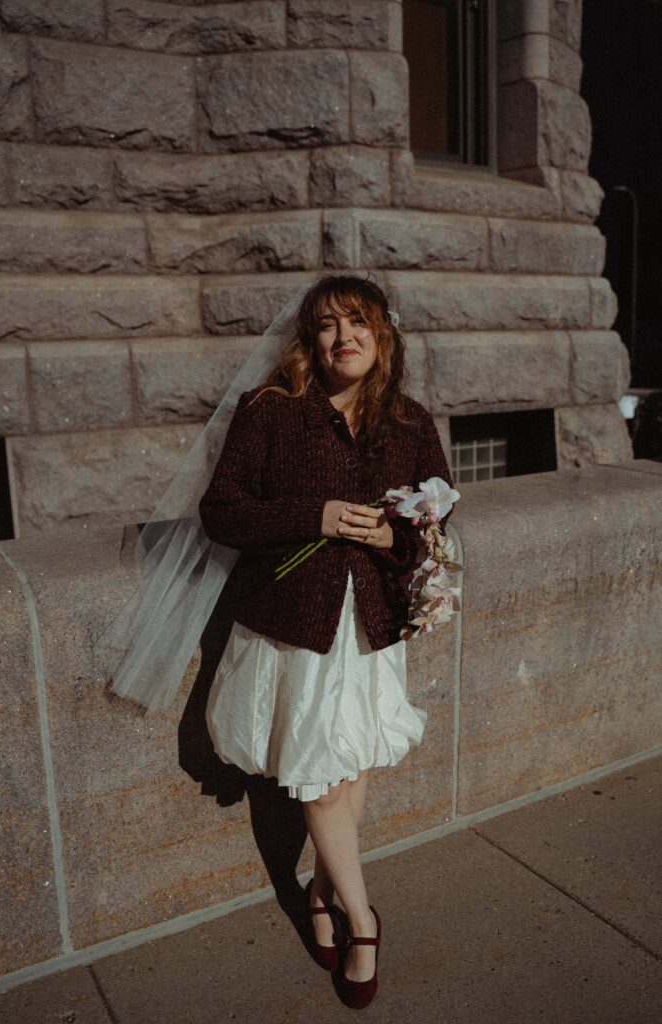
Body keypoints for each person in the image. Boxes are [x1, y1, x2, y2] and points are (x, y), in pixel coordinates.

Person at [197, 273, 456, 1008]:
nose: (344, 337)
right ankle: (364, 919)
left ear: (383, 337)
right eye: (328, 325)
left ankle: (319, 892)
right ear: (309, 339)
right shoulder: (271, 411)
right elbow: (221, 512)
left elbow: (436, 522)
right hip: (293, 630)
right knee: (323, 776)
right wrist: (311, 516)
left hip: (368, 628)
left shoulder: (408, 422)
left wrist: (391, 534)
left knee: (351, 765)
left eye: (359, 324)